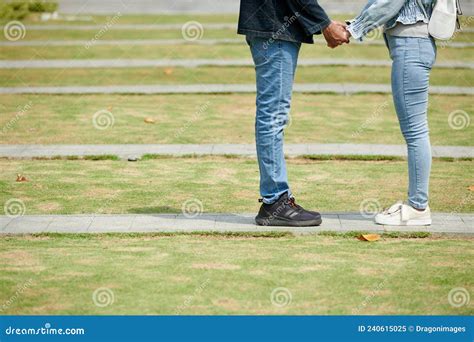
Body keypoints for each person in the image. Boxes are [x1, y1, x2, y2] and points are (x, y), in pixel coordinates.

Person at [238, 0, 349, 227]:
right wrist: (326, 25)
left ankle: (275, 199)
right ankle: (275, 201)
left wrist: (323, 24)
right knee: (272, 116)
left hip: (271, 26)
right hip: (274, 29)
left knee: (272, 115)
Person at [347, 0, 436, 225]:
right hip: (413, 44)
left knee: (415, 131)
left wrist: (354, 28)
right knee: (415, 130)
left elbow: (388, 3)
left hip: (411, 44)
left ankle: (418, 207)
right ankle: (418, 204)